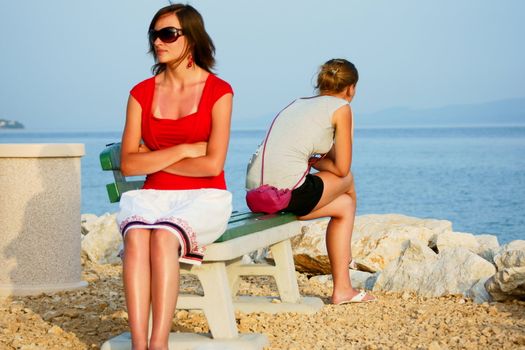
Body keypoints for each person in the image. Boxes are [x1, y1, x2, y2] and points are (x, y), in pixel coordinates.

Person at [117, 4, 233, 350]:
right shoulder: (140, 93)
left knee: (164, 237)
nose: (158, 41)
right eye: (154, 34)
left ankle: (159, 344)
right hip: (153, 195)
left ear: (192, 39)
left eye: (167, 34)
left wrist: (151, 159)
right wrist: (183, 151)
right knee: (137, 236)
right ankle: (140, 345)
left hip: (204, 196)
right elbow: (128, 165)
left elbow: (212, 165)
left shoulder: (219, 91)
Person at [246, 58, 375, 305]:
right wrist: (315, 162)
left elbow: (323, 158)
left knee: (344, 207)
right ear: (351, 88)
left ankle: (343, 289)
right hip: (286, 195)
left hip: (256, 196)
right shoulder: (341, 108)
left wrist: (314, 160)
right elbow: (342, 167)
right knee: (348, 180)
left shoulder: (297, 104)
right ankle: (346, 257)